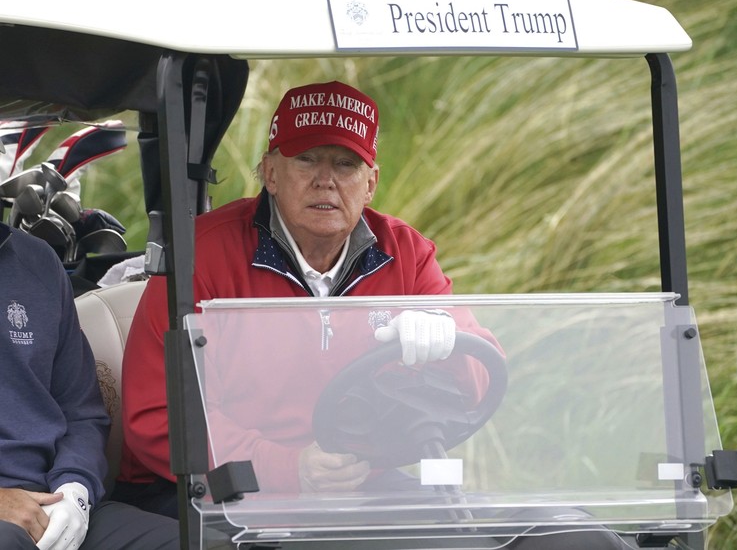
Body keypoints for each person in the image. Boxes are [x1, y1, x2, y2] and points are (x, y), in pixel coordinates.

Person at [114, 80, 489, 518]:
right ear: (270, 172)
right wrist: (287, 470)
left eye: (346, 164)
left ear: (370, 183)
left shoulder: (406, 254)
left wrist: (450, 342)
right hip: (216, 491)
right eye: (306, 160)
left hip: (358, 482)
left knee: (504, 533)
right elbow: (158, 416)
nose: (325, 181)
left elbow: (482, 373)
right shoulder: (202, 254)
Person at [0, 220, 179, 549]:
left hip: (52, 500)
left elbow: (81, 412)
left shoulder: (37, 261)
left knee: (200, 542)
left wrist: (74, 490)